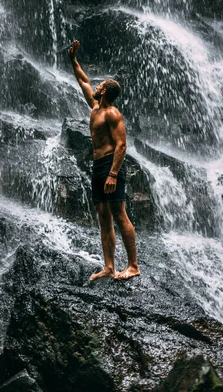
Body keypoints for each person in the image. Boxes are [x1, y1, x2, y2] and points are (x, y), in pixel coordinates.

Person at [69, 40, 140, 281]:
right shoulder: (95, 108)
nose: (96, 86)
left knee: (119, 213)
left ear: (105, 92)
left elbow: (121, 144)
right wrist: (73, 60)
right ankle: (109, 267)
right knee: (102, 215)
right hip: (97, 166)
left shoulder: (112, 113)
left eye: (100, 86)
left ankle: (133, 265)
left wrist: (113, 173)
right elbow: (83, 81)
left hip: (111, 167)